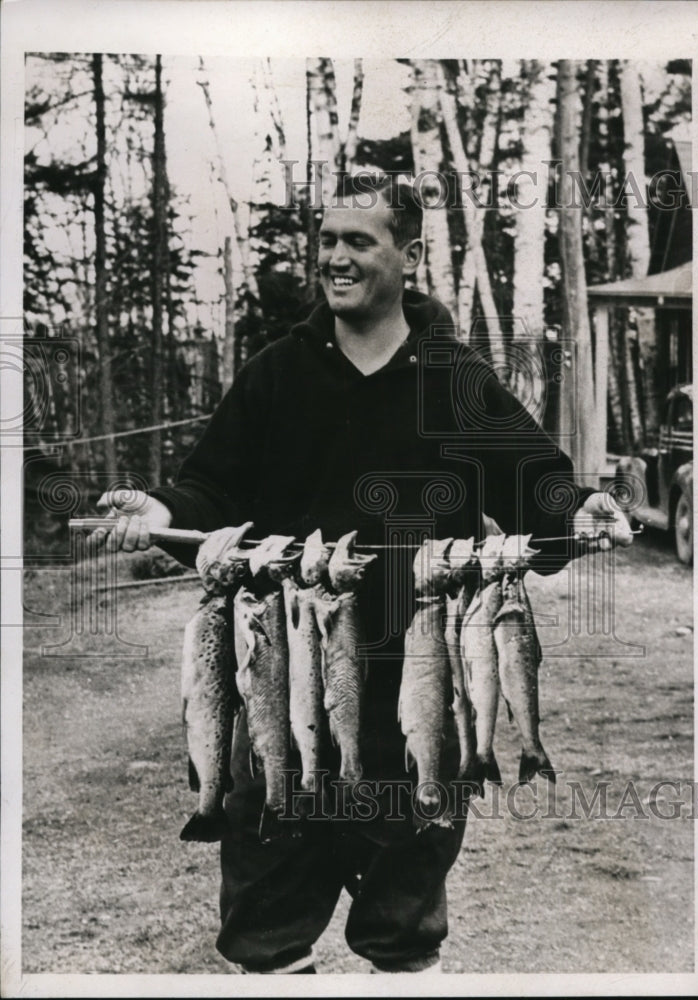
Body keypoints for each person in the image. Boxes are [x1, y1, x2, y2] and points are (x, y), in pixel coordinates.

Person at [91, 174, 632, 975]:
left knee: (403, 929)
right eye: (328, 241)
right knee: (265, 920)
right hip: (282, 680)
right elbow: (209, 489)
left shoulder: (455, 380)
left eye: (359, 242)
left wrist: (579, 508)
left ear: (409, 257)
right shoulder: (278, 373)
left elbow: (533, 486)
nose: (335, 259)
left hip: (418, 679)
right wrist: (159, 510)